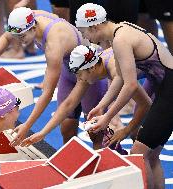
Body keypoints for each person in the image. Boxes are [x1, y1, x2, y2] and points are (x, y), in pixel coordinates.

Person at [0, 7, 111, 147]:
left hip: (90, 76)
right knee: (66, 127)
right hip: (69, 70)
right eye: (17, 36)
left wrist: (27, 125)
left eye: (22, 36)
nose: (20, 41)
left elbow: (47, 93)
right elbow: (6, 36)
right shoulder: (28, 19)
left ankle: (106, 162)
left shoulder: (54, 44)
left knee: (95, 133)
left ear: (33, 28)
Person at [76, 3, 173, 189]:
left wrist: (107, 117)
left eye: (84, 32)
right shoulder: (120, 32)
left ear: (94, 26)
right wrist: (102, 106)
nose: (85, 38)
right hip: (166, 89)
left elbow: (131, 85)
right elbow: (120, 78)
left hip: (169, 92)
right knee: (151, 156)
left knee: (138, 155)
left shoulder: (120, 40)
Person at [20, 45, 151, 153]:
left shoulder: (117, 70)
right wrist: (43, 133)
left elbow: (146, 104)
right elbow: (68, 104)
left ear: (92, 68)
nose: (79, 79)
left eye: (79, 75)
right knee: (138, 140)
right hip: (153, 77)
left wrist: (125, 130)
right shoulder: (91, 69)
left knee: (142, 148)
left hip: (164, 80)